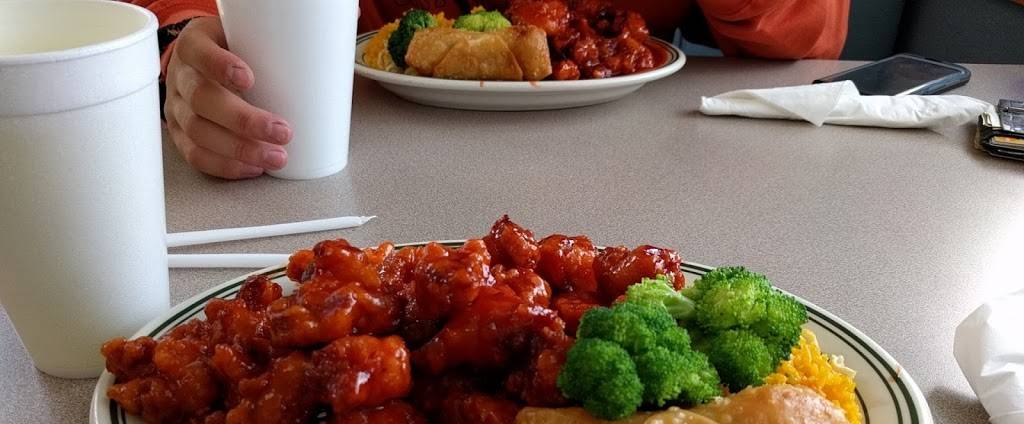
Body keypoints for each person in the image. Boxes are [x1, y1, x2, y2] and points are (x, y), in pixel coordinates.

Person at [130, 0, 849, 179]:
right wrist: (185, 48)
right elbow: (177, 13)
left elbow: (813, 31)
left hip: (648, 161)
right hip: (358, 155)